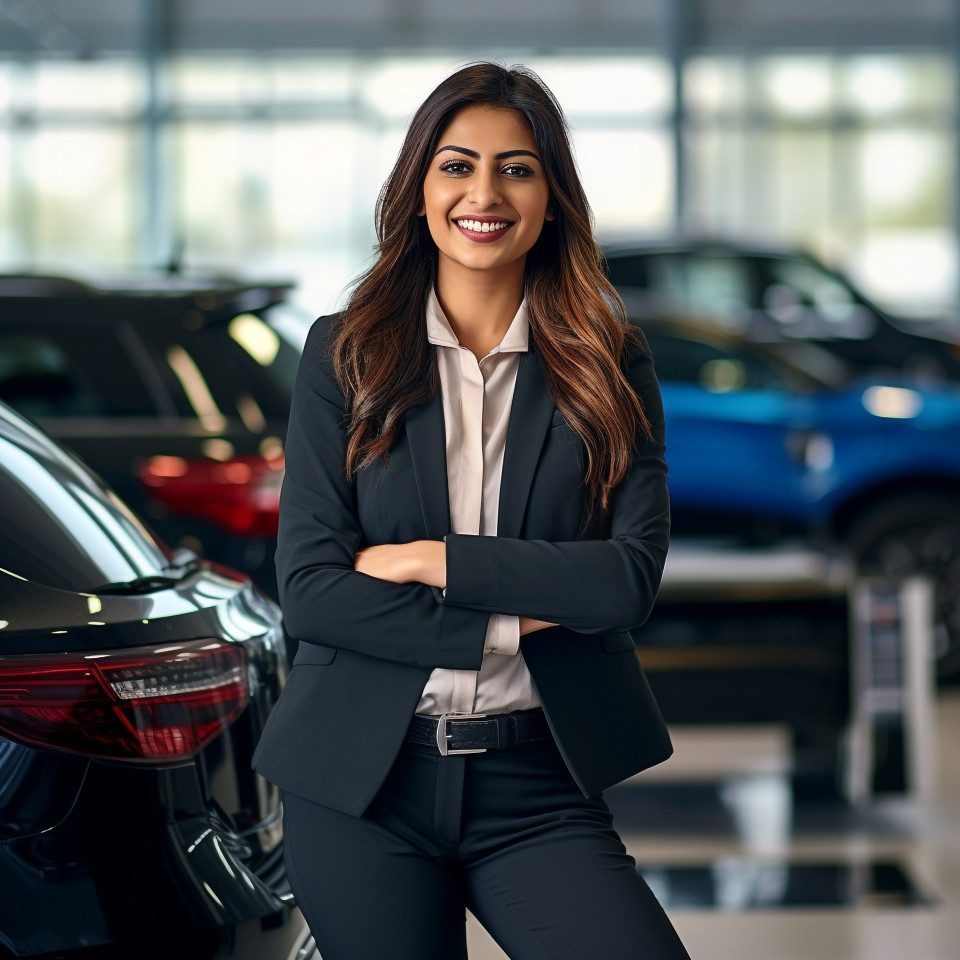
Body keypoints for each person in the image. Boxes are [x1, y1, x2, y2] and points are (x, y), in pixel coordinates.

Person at [252, 61, 691, 960]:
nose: (483, 193)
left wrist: (435, 560)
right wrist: (520, 613)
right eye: (456, 166)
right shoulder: (346, 354)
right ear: (418, 189)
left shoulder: (609, 362)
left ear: (552, 196)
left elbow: (625, 582)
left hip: (539, 783)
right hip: (359, 785)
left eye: (516, 168)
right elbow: (313, 593)